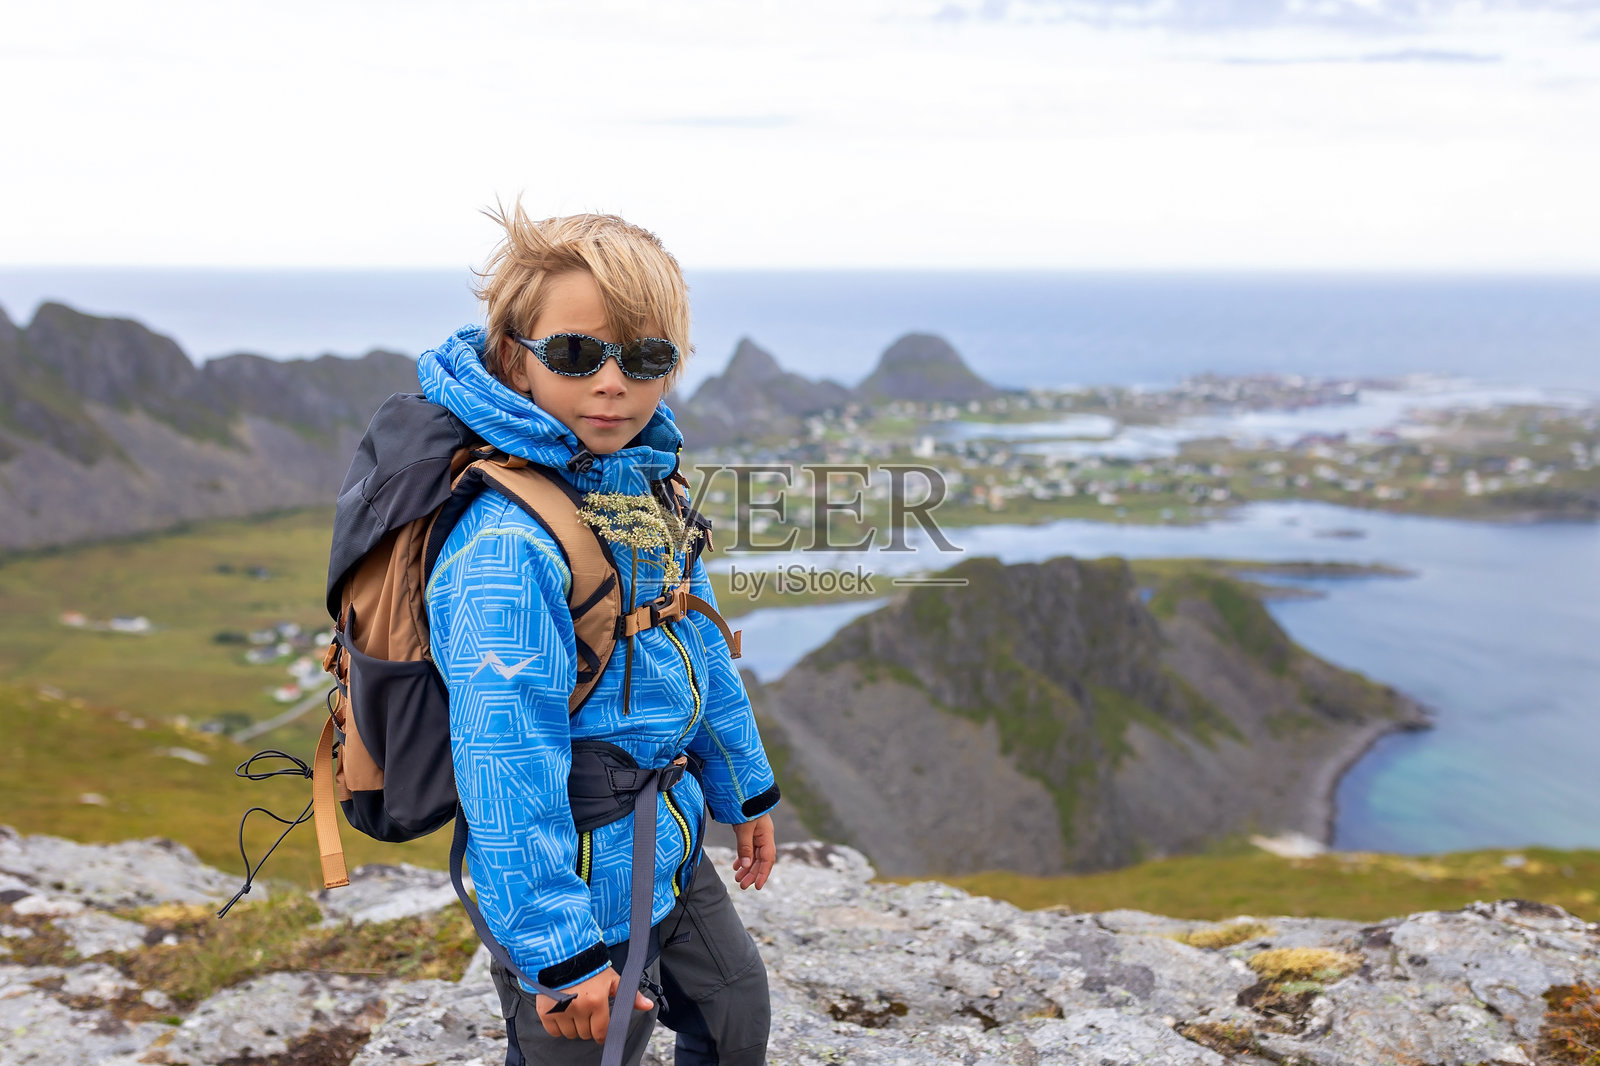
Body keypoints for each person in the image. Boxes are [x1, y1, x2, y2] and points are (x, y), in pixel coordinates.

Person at [418, 207, 781, 1066]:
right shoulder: (506, 545)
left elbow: (686, 643)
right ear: (516, 356)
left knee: (735, 1017)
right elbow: (503, 756)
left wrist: (742, 787)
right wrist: (559, 954)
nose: (613, 382)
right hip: (569, 873)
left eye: (647, 356)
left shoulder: (639, 488)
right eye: (578, 354)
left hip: (667, 837)